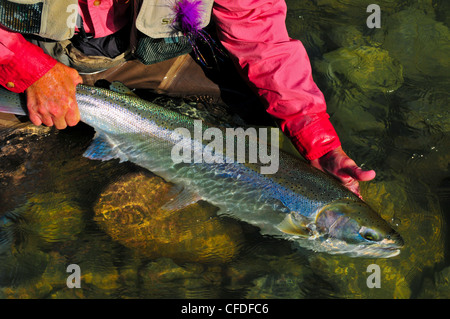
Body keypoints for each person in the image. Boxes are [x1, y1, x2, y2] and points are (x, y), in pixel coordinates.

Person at [0, 0, 375, 197]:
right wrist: (24, 66)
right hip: (21, 51)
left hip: (138, 54)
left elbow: (263, 40)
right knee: (13, 183)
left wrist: (319, 142)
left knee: (258, 115)